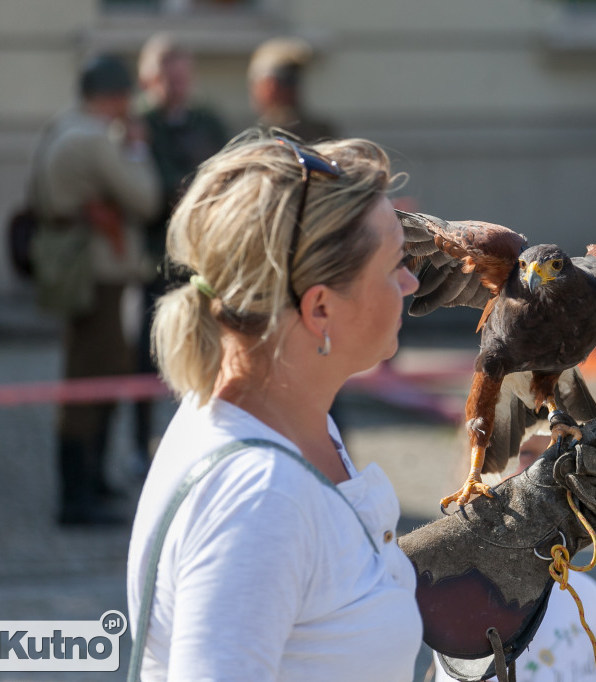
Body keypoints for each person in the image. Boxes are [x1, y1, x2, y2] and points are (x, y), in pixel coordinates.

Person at [126, 131, 422, 679]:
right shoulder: (260, 494)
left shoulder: (279, 414)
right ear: (320, 309)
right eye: (393, 267)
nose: (409, 282)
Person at [32, 54, 161, 526]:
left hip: (80, 269)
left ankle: (91, 483)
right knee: (93, 376)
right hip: (99, 274)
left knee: (98, 370)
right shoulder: (92, 139)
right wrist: (138, 150)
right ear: (112, 97)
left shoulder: (61, 127)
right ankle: (77, 496)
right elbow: (145, 199)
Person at [432, 425, 596, 682]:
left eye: (561, 454)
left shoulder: (587, 596)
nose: (548, 471)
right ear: (476, 473)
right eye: (526, 454)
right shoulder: (462, 601)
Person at [133, 33, 230, 470]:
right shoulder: (138, 123)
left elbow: (227, 171)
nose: (177, 87)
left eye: (182, 78)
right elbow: (148, 185)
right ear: (149, 79)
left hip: (204, 255)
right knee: (148, 354)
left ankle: (200, 435)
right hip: (153, 254)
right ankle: (140, 443)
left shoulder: (207, 121)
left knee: (206, 345)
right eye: (167, 79)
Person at [248, 36, 338, 142]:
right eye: (285, 81)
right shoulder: (258, 135)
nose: (289, 90)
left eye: (291, 81)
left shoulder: (318, 133)